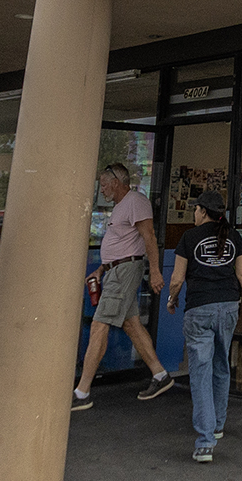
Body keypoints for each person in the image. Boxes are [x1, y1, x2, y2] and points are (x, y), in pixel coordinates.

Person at [167, 191, 242, 463]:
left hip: (199, 309)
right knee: (221, 365)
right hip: (229, 307)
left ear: (203, 211)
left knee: (200, 371)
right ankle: (217, 425)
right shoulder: (234, 236)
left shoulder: (189, 238)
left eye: (195, 209)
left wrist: (172, 299)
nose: (193, 214)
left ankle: (205, 441)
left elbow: (176, 278)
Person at [73, 163, 171, 410]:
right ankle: (160, 375)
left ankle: (81, 392)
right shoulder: (120, 207)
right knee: (131, 324)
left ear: (116, 182)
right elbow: (122, 244)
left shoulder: (135, 201)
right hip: (116, 270)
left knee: (99, 325)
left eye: (104, 184)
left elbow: (149, 237)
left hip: (125, 272)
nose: (102, 190)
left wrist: (156, 272)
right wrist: (102, 268)